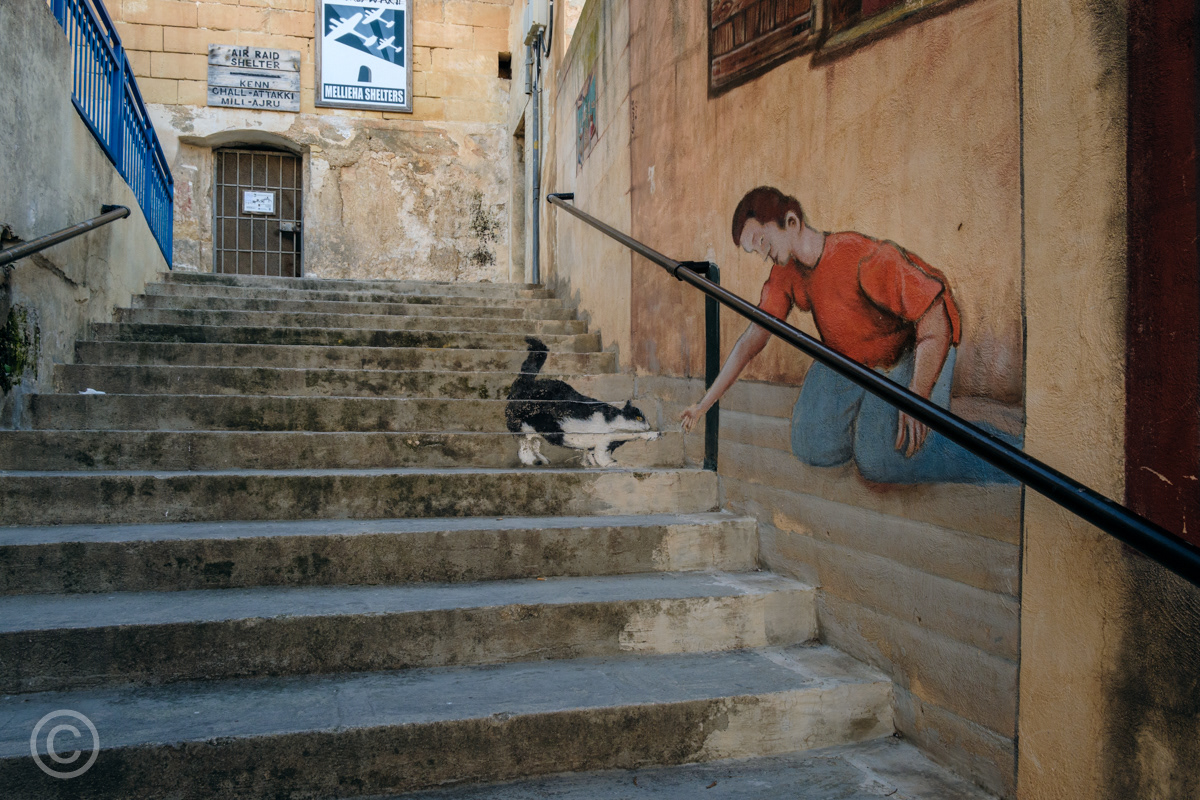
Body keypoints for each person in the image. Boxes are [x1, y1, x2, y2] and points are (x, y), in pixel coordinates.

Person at [679, 186, 1017, 484]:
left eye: (763, 241)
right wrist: (703, 404)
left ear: (792, 222)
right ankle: (876, 413)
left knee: (879, 460)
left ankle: (1006, 455)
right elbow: (751, 341)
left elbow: (935, 318)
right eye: (755, 250)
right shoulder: (786, 274)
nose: (763, 254)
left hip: (919, 348)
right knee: (810, 443)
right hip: (856, 359)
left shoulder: (863, 259)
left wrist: (917, 395)